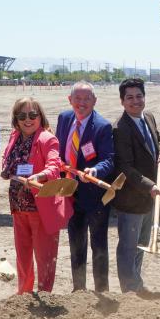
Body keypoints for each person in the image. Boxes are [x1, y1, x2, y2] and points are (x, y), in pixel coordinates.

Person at [0, 97, 71, 295]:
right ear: (16, 119)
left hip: (40, 208)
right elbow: (8, 160)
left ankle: (44, 295)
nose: (28, 120)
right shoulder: (15, 137)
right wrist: (6, 170)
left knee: (44, 256)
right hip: (18, 207)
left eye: (33, 115)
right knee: (22, 256)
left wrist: (40, 175)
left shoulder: (48, 139)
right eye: (22, 115)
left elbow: (54, 165)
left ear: (40, 117)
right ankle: (24, 294)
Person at [56, 81, 115, 292]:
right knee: (76, 245)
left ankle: (102, 291)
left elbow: (109, 159)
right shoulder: (64, 119)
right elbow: (58, 149)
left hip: (95, 197)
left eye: (87, 99)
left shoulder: (102, 126)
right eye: (78, 99)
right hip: (71, 193)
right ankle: (78, 290)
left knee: (98, 246)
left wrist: (95, 171)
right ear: (70, 100)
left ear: (94, 101)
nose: (82, 104)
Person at [111, 78, 160, 292]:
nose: (135, 101)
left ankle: (135, 284)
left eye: (139, 96)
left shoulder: (149, 117)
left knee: (141, 245)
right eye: (130, 98)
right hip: (132, 200)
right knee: (128, 247)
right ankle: (129, 290)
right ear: (122, 101)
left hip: (149, 197)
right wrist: (149, 186)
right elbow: (124, 167)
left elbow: (158, 140)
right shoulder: (120, 128)